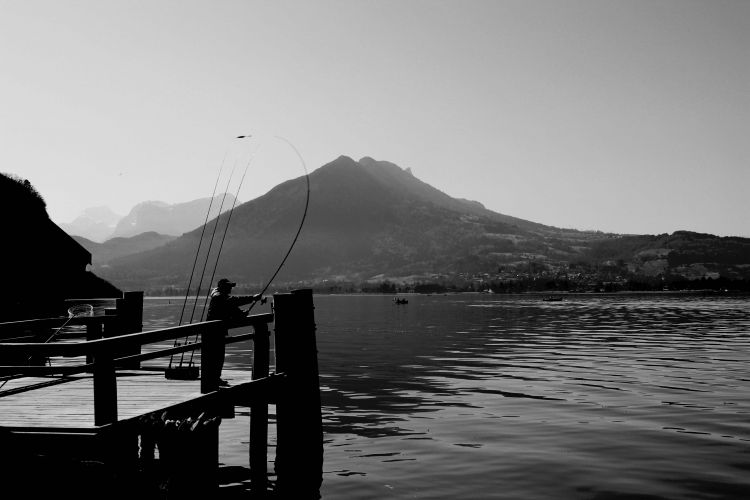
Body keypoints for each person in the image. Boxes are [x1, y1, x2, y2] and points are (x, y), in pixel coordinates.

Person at [206, 278, 264, 386]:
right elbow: (231, 302)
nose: (230, 289)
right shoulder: (219, 296)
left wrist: (241, 313)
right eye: (229, 287)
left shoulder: (221, 297)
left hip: (218, 330)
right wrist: (252, 298)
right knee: (215, 356)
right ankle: (212, 379)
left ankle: (215, 378)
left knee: (218, 356)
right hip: (213, 331)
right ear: (222, 287)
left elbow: (231, 307)